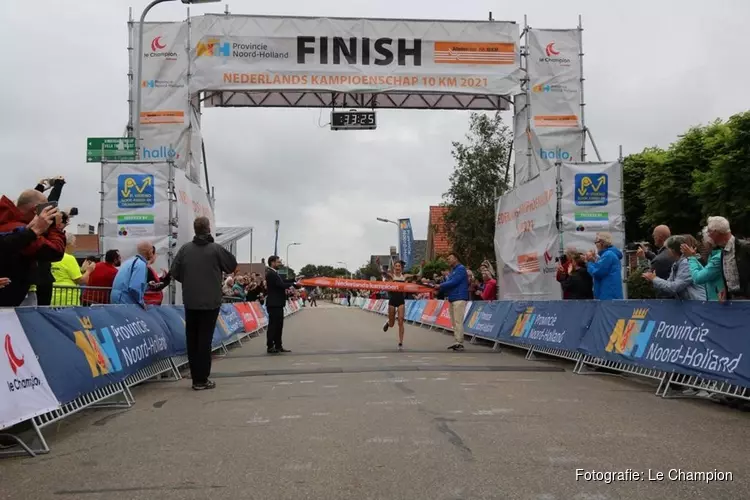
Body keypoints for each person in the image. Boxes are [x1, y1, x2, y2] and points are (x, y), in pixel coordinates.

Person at [170, 217, 237, 390]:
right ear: (208, 229)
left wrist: (189, 281)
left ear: (195, 229)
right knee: (205, 340)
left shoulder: (185, 249)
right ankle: (202, 378)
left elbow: (175, 272)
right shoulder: (215, 249)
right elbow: (231, 265)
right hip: (210, 301)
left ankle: (196, 378)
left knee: (192, 339)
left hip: (191, 300)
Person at [0, 189, 67, 307]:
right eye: (45, 210)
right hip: (11, 303)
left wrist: (32, 230)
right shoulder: (17, 228)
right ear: (36, 210)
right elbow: (54, 251)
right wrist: (55, 228)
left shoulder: (9, 225)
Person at [642, 235, 706, 300]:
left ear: (672, 250)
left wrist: (654, 279)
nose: (666, 252)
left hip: (698, 305)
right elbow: (668, 288)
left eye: (667, 249)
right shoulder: (676, 264)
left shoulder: (686, 263)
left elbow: (674, 288)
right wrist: (653, 280)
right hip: (690, 306)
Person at [705, 216, 750, 300]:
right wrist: (726, 290)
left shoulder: (745, 247)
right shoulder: (723, 252)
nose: (708, 235)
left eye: (709, 232)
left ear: (716, 232)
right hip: (733, 300)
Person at [265, 255, 301, 354]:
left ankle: (278, 345)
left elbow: (283, 281)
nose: (280, 263)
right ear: (272, 262)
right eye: (278, 262)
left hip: (278, 303)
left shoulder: (275, 273)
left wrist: (294, 279)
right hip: (274, 303)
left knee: (279, 325)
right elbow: (280, 285)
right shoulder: (271, 274)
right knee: (273, 325)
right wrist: (294, 285)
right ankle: (270, 346)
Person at [435, 252, 469, 351]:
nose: (448, 260)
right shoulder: (453, 270)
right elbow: (448, 284)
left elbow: (454, 282)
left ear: (456, 259)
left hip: (459, 298)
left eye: (450, 258)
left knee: (458, 321)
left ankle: (459, 342)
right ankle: (457, 341)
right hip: (452, 298)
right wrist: (438, 288)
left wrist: (440, 286)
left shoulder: (461, 269)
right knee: (454, 322)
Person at [680, 227, 725, 301]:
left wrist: (691, 258)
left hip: (717, 302)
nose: (702, 242)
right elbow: (705, 271)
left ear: (709, 242)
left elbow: (698, 278)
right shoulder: (713, 255)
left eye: (703, 240)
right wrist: (694, 258)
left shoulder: (717, 258)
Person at [51, 235, 93, 306]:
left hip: (52, 295)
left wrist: (82, 270)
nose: (75, 246)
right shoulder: (69, 258)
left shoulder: (52, 256)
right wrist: (89, 270)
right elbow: (81, 280)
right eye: (74, 243)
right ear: (68, 244)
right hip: (68, 297)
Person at [111, 241, 153, 306]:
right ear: (149, 252)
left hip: (117, 299)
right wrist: (141, 302)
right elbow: (134, 288)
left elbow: (126, 284)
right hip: (125, 302)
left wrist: (147, 286)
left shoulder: (129, 262)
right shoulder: (140, 264)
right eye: (152, 250)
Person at [584, 232, 624, 300]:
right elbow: (601, 269)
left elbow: (597, 273)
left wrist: (589, 262)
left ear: (602, 242)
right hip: (610, 296)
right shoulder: (609, 254)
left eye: (596, 242)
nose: (595, 244)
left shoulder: (608, 255)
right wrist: (594, 261)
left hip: (608, 297)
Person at [382, 260, 411, 350]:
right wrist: (379, 264)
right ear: (394, 268)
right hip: (392, 300)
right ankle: (388, 322)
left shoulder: (404, 277)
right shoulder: (391, 276)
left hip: (401, 300)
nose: (397, 267)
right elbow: (383, 273)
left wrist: (421, 267)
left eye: (399, 266)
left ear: (401, 268)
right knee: (392, 324)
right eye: (396, 266)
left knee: (401, 321)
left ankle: (400, 342)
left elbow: (418, 276)